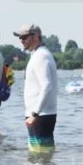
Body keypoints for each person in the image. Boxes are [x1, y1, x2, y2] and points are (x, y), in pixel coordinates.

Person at [14, 23, 57, 151]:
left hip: (40, 115)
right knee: (39, 156)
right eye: (20, 38)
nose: (21, 40)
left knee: (40, 156)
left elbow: (47, 86)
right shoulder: (38, 54)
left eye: (24, 37)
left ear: (36, 36)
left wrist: (35, 114)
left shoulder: (41, 56)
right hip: (39, 115)